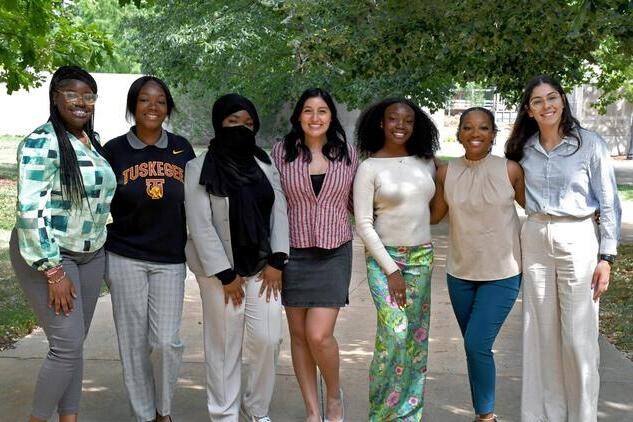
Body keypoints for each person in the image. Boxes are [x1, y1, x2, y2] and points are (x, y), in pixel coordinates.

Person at [505, 75, 621, 422]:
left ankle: (582, 416)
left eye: (552, 97)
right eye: (537, 101)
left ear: (563, 101)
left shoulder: (589, 144)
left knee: (578, 335)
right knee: (540, 332)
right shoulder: (522, 149)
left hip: (578, 237)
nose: (546, 106)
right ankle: (542, 415)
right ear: (529, 110)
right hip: (536, 235)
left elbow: (609, 203)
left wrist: (607, 257)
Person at [9, 66, 116, 422]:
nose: (81, 102)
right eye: (72, 94)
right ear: (56, 97)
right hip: (52, 254)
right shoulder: (42, 141)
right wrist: (53, 270)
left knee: (72, 347)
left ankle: (69, 418)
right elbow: (30, 210)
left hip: (90, 255)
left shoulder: (90, 139)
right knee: (67, 347)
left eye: (89, 96)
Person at [184, 94, 289, 422]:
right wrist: (226, 275)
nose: (241, 129)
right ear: (219, 124)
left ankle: (257, 409)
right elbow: (200, 224)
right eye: (233, 123)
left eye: (248, 124)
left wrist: (278, 259)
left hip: (263, 267)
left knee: (268, 340)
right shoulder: (198, 167)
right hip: (220, 275)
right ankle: (224, 414)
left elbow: (280, 209)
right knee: (224, 346)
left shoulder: (265, 163)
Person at [103, 76, 195, 422]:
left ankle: (164, 408)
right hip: (125, 255)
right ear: (133, 106)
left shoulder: (182, 148)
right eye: (144, 100)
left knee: (165, 343)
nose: (152, 107)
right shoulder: (114, 150)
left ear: (167, 108)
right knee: (133, 342)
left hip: (170, 257)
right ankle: (146, 416)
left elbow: (197, 204)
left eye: (159, 101)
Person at [430, 107, 525, 422]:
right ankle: (482, 412)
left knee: (476, 343)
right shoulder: (446, 172)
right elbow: (435, 216)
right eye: (468, 128)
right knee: (475, 349)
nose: (475, 134)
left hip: (502, 272)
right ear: (458, 134)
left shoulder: (510, 170)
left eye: (483, 128)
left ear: (494, 134)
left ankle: (486, 417)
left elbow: (538, 208)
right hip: (460, 273)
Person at [271, 88, 358, 422]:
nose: (315, 117)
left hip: (335, 250)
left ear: (331, 116)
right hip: (292, 252)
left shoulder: (348, 155)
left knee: (319, 335)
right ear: (299, 116)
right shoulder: (282, 152)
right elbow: (273, 200)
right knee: (298, 337)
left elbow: (357, 203)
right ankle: (312, 410)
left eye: (322, 111)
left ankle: (333, 397)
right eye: (308, 111)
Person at [353, 98, 439, 421]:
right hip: (384, 259)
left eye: (407, 120)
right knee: (394, 333)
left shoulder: (426, 163)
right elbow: (363, 224)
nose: (400, 125)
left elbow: (436, 210)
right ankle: (381, 413)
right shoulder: (369, 167)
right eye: (393, 119)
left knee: (416, 337)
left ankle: (409, 413)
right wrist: (391, 270)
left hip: (422, 257)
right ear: (381, 123)